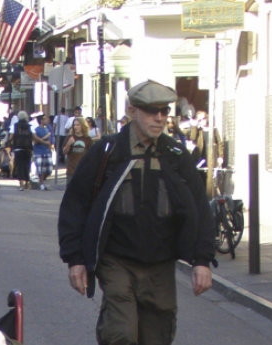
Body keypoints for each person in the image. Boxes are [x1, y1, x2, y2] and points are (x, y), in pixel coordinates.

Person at [58, 80, 216, 345]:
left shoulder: (175, 155)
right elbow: (75, 205)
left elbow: (199, 208)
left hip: (161, 263)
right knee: (121, 331)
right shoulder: (108, 152)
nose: (159, 118)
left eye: (164, 111)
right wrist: (75, 259)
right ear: (132, 111)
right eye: (150, 111)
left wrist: (202, 260)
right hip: (116, 259)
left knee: (157, 335)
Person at [63, 117, 94, 185]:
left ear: (82, 126)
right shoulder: (69, 137)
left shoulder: (88, 139)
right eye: (74, 125)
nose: (75, 127)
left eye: (78, 125)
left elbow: (91, 155)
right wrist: (68, 144)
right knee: (70, 192)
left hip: (83, 170)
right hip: (71, 170)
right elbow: (65, 152)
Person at [9, 111, 33, 191]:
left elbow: (11, 137)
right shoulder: (30, 126)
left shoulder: (14, 126)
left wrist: (10, 142)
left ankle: (21, 184)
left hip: (18, 148)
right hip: (28, 148)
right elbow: (34, 136)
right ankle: (27, 182)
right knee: (27, 165)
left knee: (20, 166)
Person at [32, 113, 53, 191]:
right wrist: (44, 140)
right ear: (41, 120)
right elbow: (35, 142)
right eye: (44, 119)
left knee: (48, 169)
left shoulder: (46, 129)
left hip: (46, 151)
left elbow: (49, 141)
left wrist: (50, 148)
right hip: (38, 152)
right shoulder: (36, 130)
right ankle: (41, 183)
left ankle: (42, 181)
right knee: (40, 168)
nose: (46, 120)